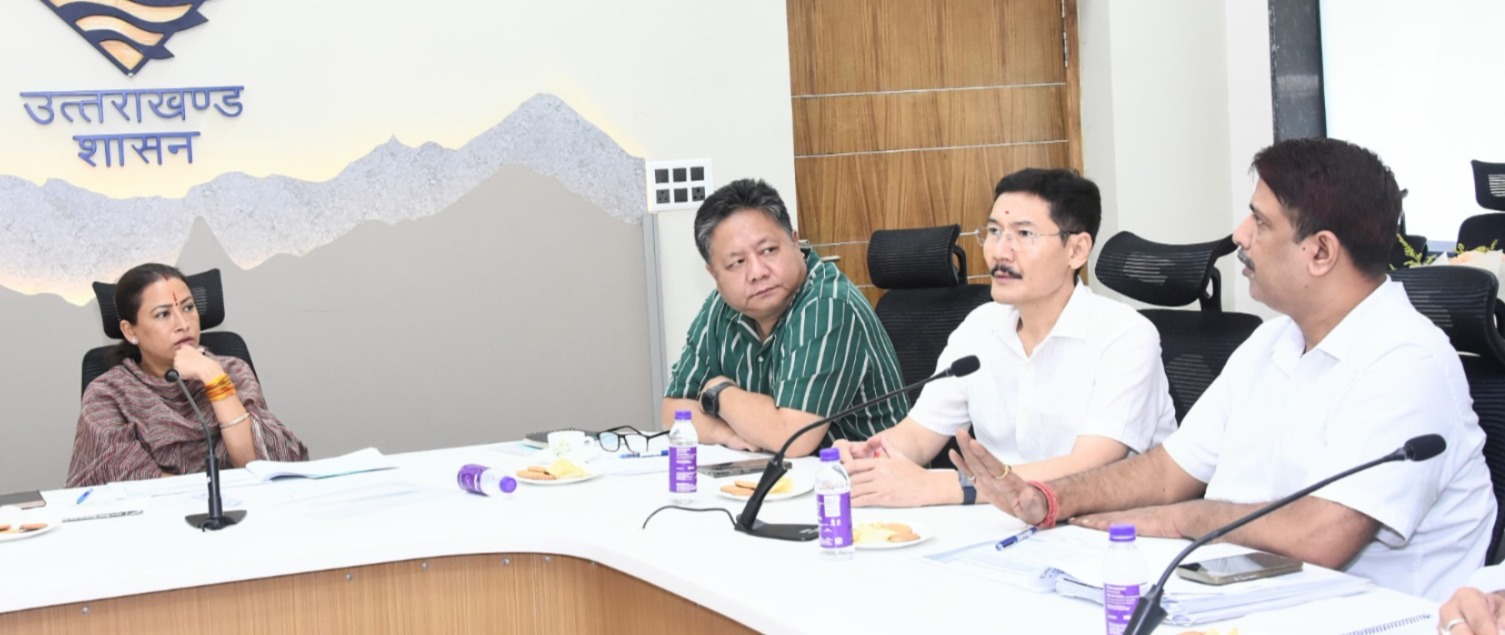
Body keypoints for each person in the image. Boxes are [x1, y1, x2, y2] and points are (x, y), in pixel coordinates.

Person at [953, 138, 1495, 601]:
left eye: (1260, 221)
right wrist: (1050, 499)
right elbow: (1169, 471)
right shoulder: (1272, 341)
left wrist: (1184, 519)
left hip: (1368, 617)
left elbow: (1321, 535)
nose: (1239, 234)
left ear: (1321, 252)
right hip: (1242, 600)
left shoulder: (1407, 360)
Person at [833, 169, 1176, 507]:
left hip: (1107, 528)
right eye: (995, 231)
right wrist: (873, 455)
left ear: (1076, 250)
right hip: (1001, 524)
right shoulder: (979, 327)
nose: (1000, 251)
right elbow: (919, 435)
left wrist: (946, 486)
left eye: (1024, 234)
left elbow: (1089, 468)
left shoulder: (1125, 337)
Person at [661, 178, 908, 457]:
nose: (757, 272)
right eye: (737, 263)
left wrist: (719, 393)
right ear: (714, 274)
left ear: (794, 242)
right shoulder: (721, 307)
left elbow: (792, 437)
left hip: (861, 477)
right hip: (781, 475)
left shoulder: (828, 305)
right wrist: (725, 433)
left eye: (768, 251)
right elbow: (673, 411)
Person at [67, 264, 307, 487]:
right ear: (130, 331)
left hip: (242, 507)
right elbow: (129, 478)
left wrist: (213, 378)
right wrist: (209, 495)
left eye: (188, 308)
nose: (183, 324)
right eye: (163, 314)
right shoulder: (107, 394)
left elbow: (255, 465)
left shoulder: (232, 371)